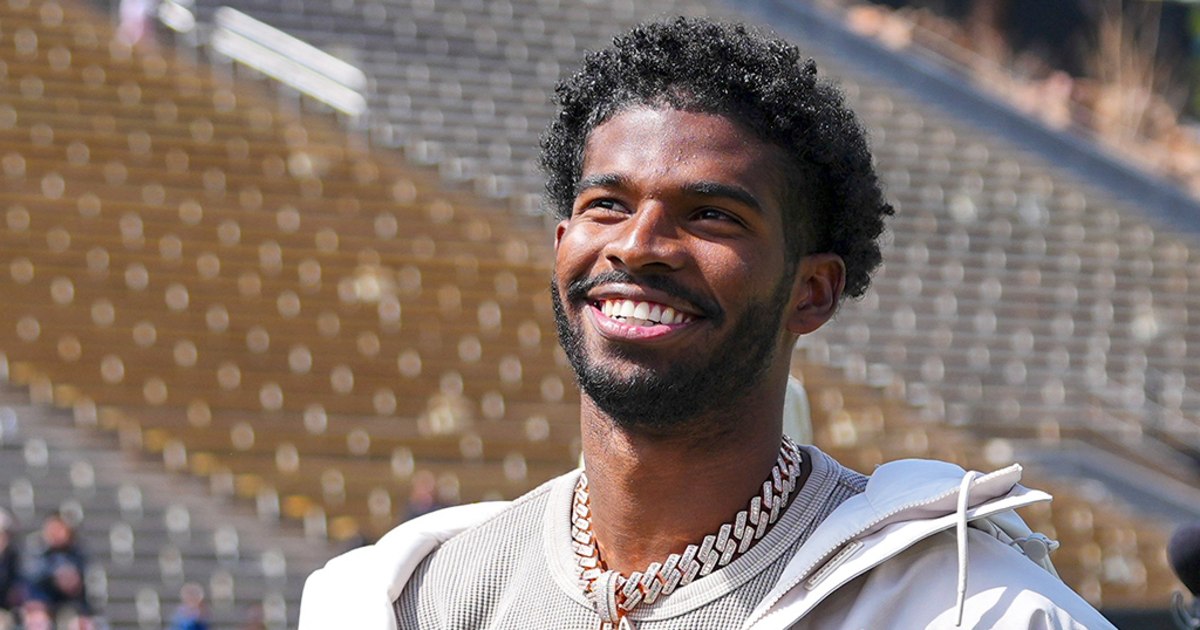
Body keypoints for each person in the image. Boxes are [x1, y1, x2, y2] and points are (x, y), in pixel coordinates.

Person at [300, 17, 1114, 629]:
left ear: (813, 292)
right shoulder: (411, 601)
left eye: (712, 216)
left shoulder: (966, 608)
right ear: (561, 247)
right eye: (607, 204)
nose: (637, 246)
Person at [23, 514, 92, 627]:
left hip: (69, 605)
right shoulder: (37, 550)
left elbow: (82, 581)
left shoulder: (76, 553)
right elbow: (30, 575)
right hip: (42, 603)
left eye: (59, 529)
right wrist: (55, 576)